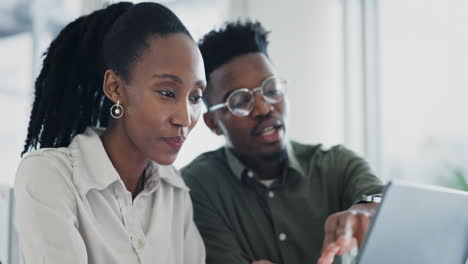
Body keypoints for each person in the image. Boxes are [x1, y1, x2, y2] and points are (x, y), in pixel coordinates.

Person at [15, 2, 207, 263]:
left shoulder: (174, 191)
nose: (185, 118)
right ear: (115, 88)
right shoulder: (50, 176)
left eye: (195, 97)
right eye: (167, 93)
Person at [181, 21, 383, 264]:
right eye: (240, 101)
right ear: (213, 122)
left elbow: (380, 201)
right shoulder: (196, 188)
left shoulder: (338, 165)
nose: (265, 108)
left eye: (271, 89)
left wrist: (368, 209)